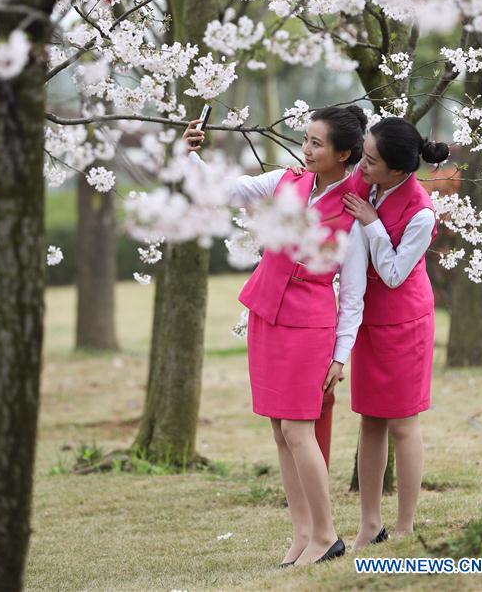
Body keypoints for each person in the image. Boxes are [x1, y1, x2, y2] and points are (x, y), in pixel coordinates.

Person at [183, 105, 369, 567]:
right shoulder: (285, 181)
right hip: (267, 313)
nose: (305, 150)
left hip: (311, 322)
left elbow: (353, 295)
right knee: (278, 429)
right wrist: (189, 154)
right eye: (305, 140)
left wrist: (340, 355)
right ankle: (302, 533)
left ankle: (327, 535)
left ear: (344, 153)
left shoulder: (354, 209)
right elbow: (224, 191)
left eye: (316, 143)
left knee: (297, 427)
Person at [342, 117, 449, 550]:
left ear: (400, 170)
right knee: (370, 421)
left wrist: (370, 222)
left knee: (403, 424)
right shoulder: (366, 182)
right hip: (369, 320)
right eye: (362, 154)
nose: (361, 165)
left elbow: (391, 273)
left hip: (405, 324)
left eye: (370, 160)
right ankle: (370, 524)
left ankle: (404, 527)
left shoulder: (421, 212)